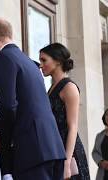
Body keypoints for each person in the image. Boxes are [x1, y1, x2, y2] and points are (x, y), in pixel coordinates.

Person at [0, 17, 66, 179]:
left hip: (31, 151)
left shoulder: (1, 58)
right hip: (52, 148)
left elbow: (9, 107)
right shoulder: (30, 63)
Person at [39, 43, 90, 180]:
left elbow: (73, 127)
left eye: (44, 60)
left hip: (68, 153)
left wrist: (67, 163)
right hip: (54, 150)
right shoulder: (51, 88)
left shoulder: (69, 87)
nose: (40, 65)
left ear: (57, 61)